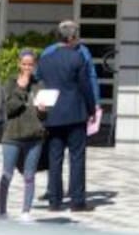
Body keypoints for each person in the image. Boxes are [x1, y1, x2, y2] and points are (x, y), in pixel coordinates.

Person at [37, 20, 98, 213]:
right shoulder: (77, 58)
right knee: (77, 158)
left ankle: (54, 201)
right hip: (75, 114)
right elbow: (86, 87)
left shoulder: (45, 59)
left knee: (55, 158)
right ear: (71, 38)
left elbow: (38, 83)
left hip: (53, 115)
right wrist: (91, 110)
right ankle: (77, 201)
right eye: (76, 36)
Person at [0, 48, 46, 219]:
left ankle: (26, 212)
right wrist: (21, 87)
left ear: (35, 65)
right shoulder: (10, 83)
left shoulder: (39, 84)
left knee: (29, 176)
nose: (27, 68)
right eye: (24, 64)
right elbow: (10, 108)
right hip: (12, 137)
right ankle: (2, 212)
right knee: (7, 174)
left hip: (34, 137)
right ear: (19, 64)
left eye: (30, 65)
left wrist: (42, 110)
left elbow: (43, 116)